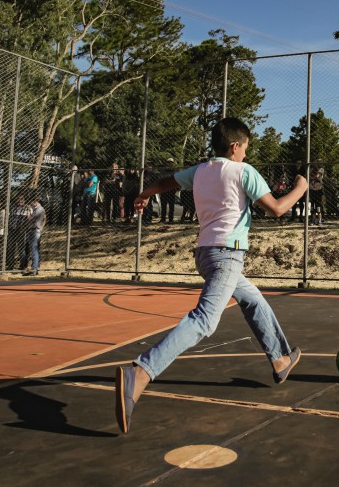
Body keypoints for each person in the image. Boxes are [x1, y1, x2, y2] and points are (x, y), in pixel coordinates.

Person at [114, 118, 309, 434]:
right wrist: (301, 188)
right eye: (245, 148)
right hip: (227, 255)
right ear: (235, 147)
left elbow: (170, 182)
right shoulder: (243, 172)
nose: (246, 154)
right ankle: (141, 372)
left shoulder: (200, 170)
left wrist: (146, 192)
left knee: (253, 300)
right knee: (204, 320)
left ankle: (280, 359)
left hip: (205, 254)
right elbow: (276, 208)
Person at [22, 197, 47, 275]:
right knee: (33, 249)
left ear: (35, 201)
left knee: (34, 250)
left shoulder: (39, 210)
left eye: (32, 203)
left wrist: (29, 211)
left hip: (35, 230)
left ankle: (34, 268)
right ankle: (34, 268)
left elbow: (29, 219)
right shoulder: (36, 209)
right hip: (33, 229)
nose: (30, 204)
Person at [159, 158, 178, 223]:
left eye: (171, 162)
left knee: (171, 206)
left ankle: (170, 219)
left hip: (171, 191)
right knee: (163, 205)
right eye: (168, 162)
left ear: (173, 163)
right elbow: (161, 179)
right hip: (164, 190)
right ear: (166, 163)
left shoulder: (175, 171)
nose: (169, 163)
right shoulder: (163, 171)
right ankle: (163, 218)